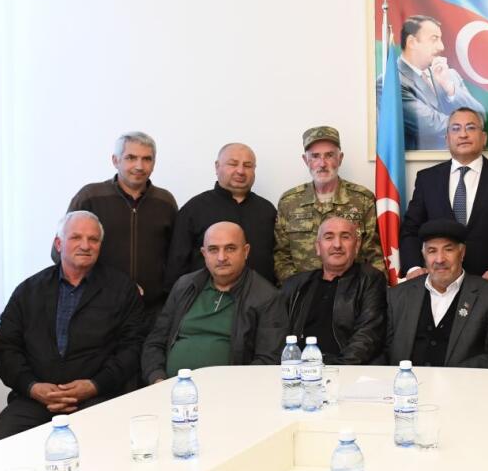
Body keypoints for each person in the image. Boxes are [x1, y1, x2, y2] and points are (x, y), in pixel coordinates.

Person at [0, 211, 145, 442]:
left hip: (98, 398)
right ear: (59, 244)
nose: (85, 245)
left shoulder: (122, 290)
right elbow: (5, 347)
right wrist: (32, 387)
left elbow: (133, 347)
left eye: (93, 239)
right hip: (34, 400)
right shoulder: (29, 291)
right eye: (76, 237)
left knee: (108, 448)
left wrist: (95, 385)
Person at [142, 222, 287, 384]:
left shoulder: (267, 297)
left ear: (246, 251)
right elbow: (155, 342)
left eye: (230, 248)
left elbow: (268, 360)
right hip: (172, 389)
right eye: (213, 249)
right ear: (204, 253)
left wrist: (231, 389)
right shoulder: (184, 286)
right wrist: (158, 379)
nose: (221, 257)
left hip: (230, 392)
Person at [400, 107, 488, 284]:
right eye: (456, 129)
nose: (463, 135)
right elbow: (410, 230)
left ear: (484, 138)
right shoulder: (427, 179)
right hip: (438, 284)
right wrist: (414, 267)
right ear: (447, 139)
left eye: (470, 128)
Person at [64, 131, 178, 314]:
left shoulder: (165, 202)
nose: (139, 166)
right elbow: (63, 252)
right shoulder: (90, 197)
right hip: (97, 305)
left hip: (152, 309)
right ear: (115, 160)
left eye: (147, 159)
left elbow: (176, 256)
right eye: (131, 158)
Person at [384, 219, 488, 367]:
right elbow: (384, 351)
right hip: (407, 381)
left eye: (448, 250)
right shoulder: (397, 296)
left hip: (462, 381)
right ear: (424, 255)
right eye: (432, 251)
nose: (440, 259)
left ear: (462, 253)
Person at [273, 126, 383, 282]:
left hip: (352, 290)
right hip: (302, 291)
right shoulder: (289, 202)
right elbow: (281, 256)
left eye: (329, 155)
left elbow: (373, 254)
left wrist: (372, 290)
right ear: (306, 160)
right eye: (315, 156)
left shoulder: (363, 200)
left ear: (340, 158)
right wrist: (298, 288)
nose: (322, 163)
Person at [279, 216, 387, 365]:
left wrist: (337, 369)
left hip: (348, 370)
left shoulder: (370, 280)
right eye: (329, 237)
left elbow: (368, 337)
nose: (337, 245)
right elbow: (277, 334)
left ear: (357, 246)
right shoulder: (296, 284)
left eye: (345, 237)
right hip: (298, 370)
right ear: (318, 247)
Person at [166, 142, 277, 286]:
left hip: (261, 297)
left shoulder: (267, 210)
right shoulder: (194, 209)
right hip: (205, 297)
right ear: (217, 167)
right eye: (233, 164)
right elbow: (176, 263)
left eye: (248, 166)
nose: (241, 171)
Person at [381, 14, 486, 151]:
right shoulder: (390, 82)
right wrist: (472, 125)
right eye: (434, 39)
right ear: (412, 42)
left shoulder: (450, 75)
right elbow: (431, 125)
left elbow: (481, 115)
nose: (441, 47)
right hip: (423, 161)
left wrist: (450, 89)